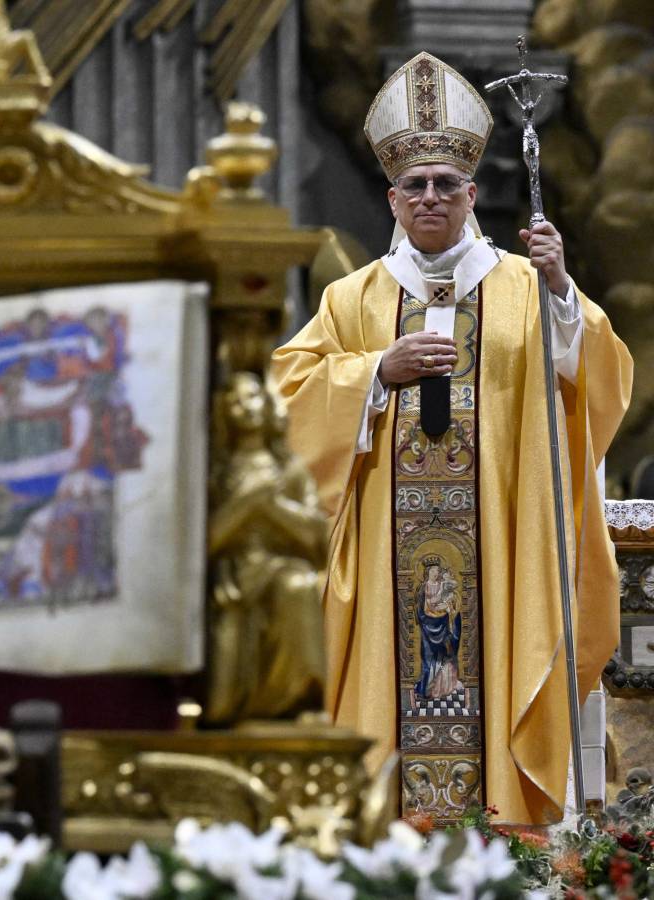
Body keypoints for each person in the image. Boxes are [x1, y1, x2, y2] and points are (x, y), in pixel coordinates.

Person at [270, 52, 633, 824]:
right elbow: (283, 396)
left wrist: (565, 290)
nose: (431, 197)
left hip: (500, 552)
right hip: (384, 564)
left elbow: (594, 380)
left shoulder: (525, 287)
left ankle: (509, 829)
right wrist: (374, 372)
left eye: (446, 185)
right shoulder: (351, 298)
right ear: (393, 199)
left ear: (473, 195)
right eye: (415, 186)